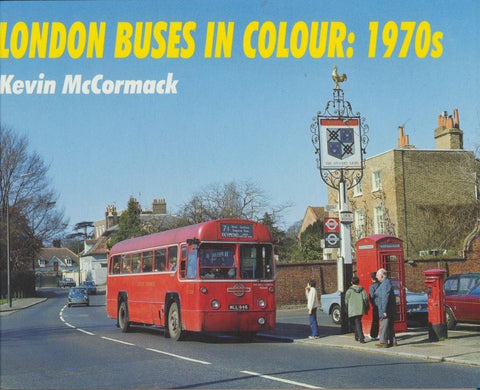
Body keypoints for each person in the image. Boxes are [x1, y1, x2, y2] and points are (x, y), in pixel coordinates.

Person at [374, 268, 397, 347]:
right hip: (388, 308)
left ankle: (383, 342)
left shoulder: (385, 283)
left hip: (386, 308)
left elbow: (385, 297)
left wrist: (384, 310)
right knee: (390, 325)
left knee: (384, 325)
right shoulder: (385, 282)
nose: (376, 277)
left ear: (382, 275)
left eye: (377, 275)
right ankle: (393, 341)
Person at [345, 276, 369, 343]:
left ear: (351, 282)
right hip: (361, 309)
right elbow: (365, 299)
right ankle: (357, 335)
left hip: (352, 309)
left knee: (355, 322)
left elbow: (346, 301)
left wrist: (346, 308)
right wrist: (367, 306)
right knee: (357, 322)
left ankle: (361, 338)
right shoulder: (362, 290)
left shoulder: (349, 291)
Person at [369, 272, 380, 341]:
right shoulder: (381, 285)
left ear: (372, 278)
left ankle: (373, 335)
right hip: (383, 304)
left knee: (375, 321)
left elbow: (371, 296)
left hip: (376, 305)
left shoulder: (372, 286)